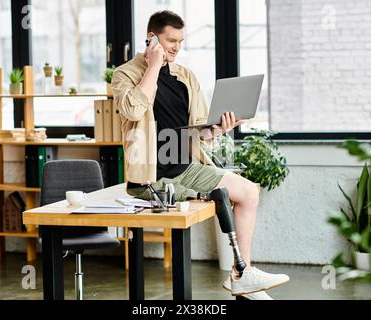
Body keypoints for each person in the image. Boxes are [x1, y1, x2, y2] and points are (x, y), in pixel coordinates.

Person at [112, 10, 289, 300]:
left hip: (185, 167)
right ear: (152, 38)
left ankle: (241, 275)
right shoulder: (125, 74)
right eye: (171, 41)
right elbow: (131, 109)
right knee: (212, 197)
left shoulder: (186, 77)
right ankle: (242, 276)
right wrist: (154, 66)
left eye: (180, 41)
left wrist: (220, 128)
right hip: (151, 178)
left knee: (248, 191)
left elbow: (199, 132)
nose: (176, 48)